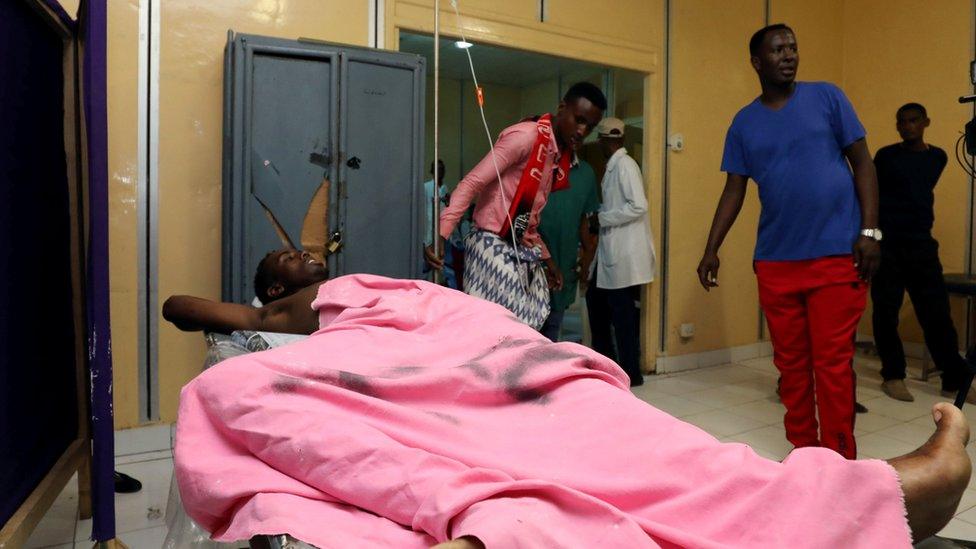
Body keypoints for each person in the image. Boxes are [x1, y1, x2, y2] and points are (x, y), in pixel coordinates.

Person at [173, 273, 971, 548]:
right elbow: (186, 305)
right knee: (228, 393)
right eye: (286, 265)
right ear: (271, 287)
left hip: (494, 358)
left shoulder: (388, 286)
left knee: (626, 437)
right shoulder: (301, 311)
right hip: (403, 375)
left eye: (311, 257)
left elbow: (470, 319)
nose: (305, 260)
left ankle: (870, 494)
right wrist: (252, 309)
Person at [696, 24, 881, 459]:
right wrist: (711, 248)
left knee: (832, 367)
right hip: (777, 263)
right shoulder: (744, 123)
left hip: (837, 256)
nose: (789, 55)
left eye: (793, 47)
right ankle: (803, 456)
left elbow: (863, 164)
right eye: (778, 49)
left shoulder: (828, 98)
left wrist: (870, 230)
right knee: (792, 369)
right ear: (757, 62)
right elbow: (733, 190)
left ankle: (838, 460)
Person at [425, 82, 606, 329]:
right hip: (490, 246)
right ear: (562, 108)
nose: (583, 132)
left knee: (529, 328)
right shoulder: (526, 137)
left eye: (591, 127)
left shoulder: (555, 155)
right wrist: (442, 233)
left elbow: (526, 219)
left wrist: (548, 260)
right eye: (579, 120)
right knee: (492, 336)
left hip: (520, 249)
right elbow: (472, 182)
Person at [872, 103, 976, 403]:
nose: (908, 126)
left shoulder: (938, 157)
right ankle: (892, 375)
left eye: (914, 120)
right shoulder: (886, 156)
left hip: (921, 245)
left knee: (937, 315)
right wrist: (874, 239)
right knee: (885, 313)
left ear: (926, 122)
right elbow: (874, 197)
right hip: (888, 245)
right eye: (902, 121)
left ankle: (953, 380)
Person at [585, 118, 656, 387]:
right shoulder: (616, 166)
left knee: (622, 317)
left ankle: (629, 372)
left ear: (603, 141)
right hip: (615, 257)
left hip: (624, 258)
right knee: (600, 306)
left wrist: (602, 219)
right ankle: (613, 366)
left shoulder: (625, 165)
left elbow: (639, 206)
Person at [163, 247, 327, 333]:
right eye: (289, 258)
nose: (303, 254)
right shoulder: (276, 317)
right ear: (276, 289)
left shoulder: (336, 286)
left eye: (299, 252)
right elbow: (174, 307)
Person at [537, 157, 600, 341]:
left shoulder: (584, 174)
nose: (580, 131)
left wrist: (587, 255)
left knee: (552, 329)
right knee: (529, 333)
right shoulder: (537, 164)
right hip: (532, 262)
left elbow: (583, 218)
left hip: (563, 265)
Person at [424, 160, 464, 290]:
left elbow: (449, 213)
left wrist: (456, 237)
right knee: (428, 267)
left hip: (445, 234)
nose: (440, 172)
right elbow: (425, 213)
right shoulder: (426, 188)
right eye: (437, 169)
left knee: (447, 265)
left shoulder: (445, 189)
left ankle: (448, 292)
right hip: (429, 234)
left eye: (442, 169)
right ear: (432, 171)